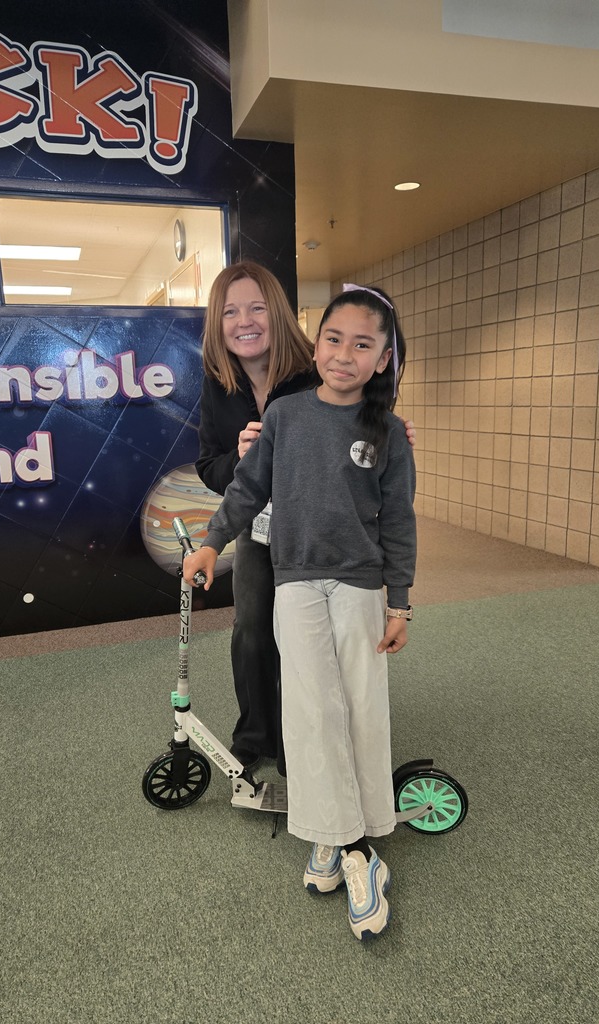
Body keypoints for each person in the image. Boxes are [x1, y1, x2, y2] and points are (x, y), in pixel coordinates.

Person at [186, 284, 416, 941]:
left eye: (363, 345)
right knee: (312, 710)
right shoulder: (286, 416)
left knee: (360, 707)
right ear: (316, 347)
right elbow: (244, 486)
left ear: (383, 359)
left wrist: (400, 602)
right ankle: (342, 844)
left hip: (362, 588)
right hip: (295, 583)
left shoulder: (388, 432)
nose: (345, 354)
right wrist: (209, 543)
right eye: (334, 339)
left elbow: (399, 521)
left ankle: (355, 844)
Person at [195, 262, 415, 777]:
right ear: (217, 323)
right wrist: (243, 454)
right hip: (259, 525)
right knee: (251, 629)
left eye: (255, 307)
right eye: (230, 311)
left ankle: (306, 742)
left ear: (277, 313)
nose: (244, 321)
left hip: (323, 530)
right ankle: (255, 736)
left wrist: (391, 432)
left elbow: (358, 413)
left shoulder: (314, 369)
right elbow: (215, 470)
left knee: (310, 640)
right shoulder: (217, 382)